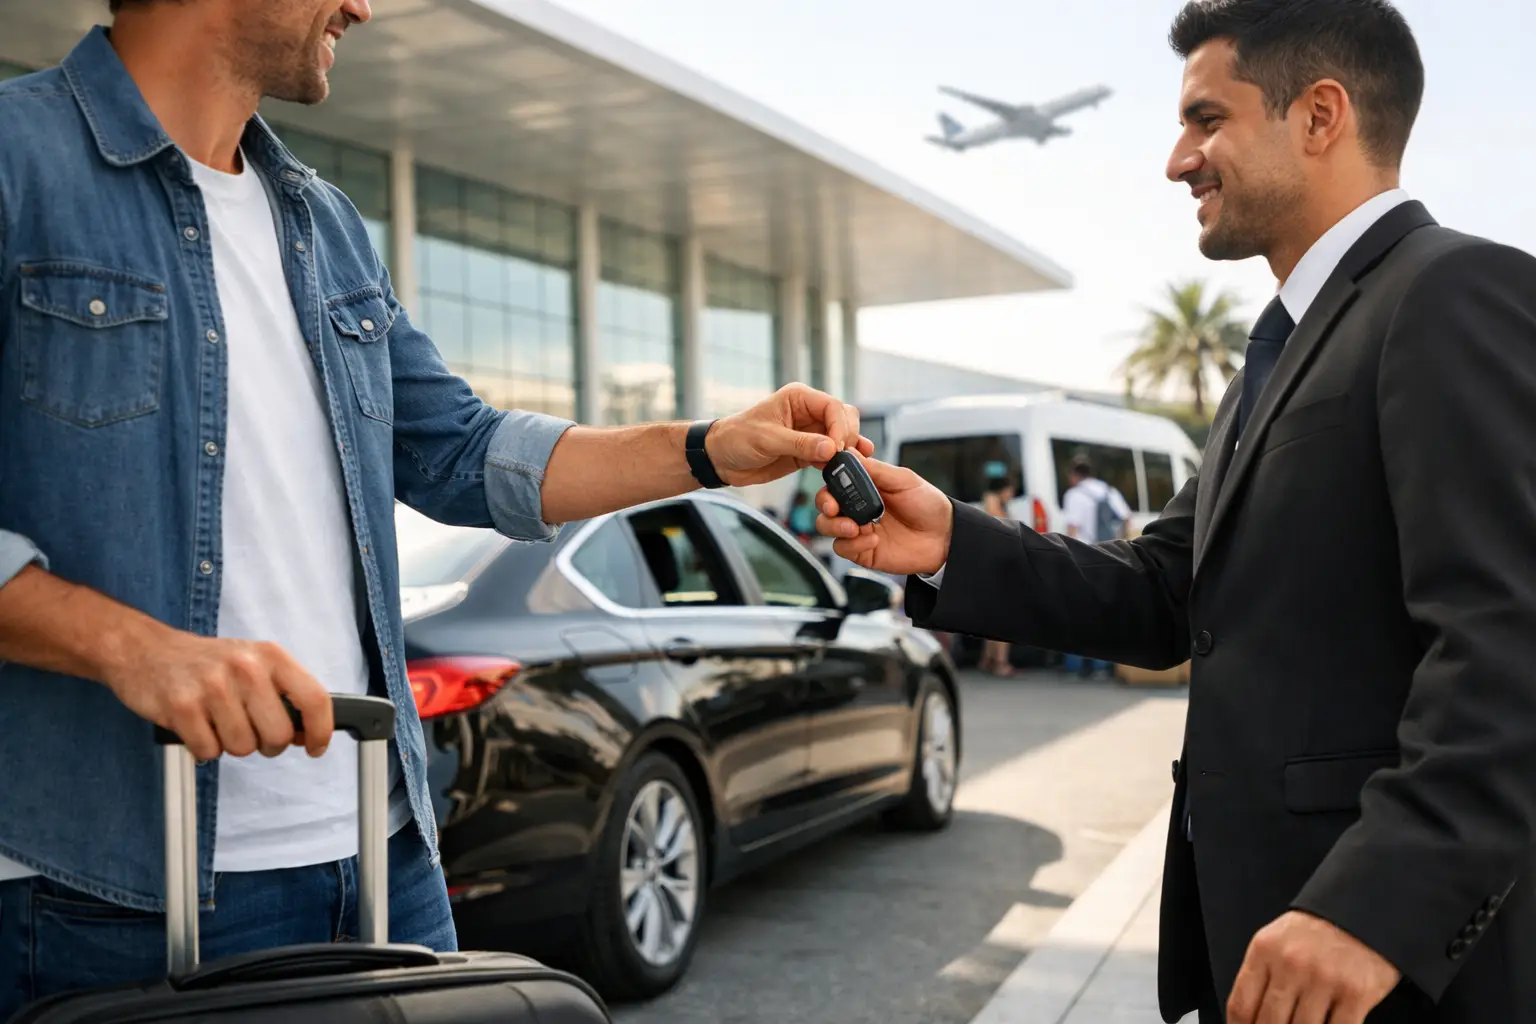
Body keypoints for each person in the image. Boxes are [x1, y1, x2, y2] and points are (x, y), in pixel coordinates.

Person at [0, 2, 869, 1015]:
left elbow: (464, 449)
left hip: (382, 855)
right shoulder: (18, 163)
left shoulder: (322, 222)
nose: (363, 4)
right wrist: (132, 646)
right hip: (106, 893)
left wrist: (711, 449)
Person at [818, 1, 1536, 1021]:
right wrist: (950, 540)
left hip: (1383, 965)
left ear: (1320, 116)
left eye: (1207, 120)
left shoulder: (1453, 293)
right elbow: (1170, 589)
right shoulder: (1279, 352)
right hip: (1259, 944)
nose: (1176, 160)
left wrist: (1380, 904)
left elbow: (1510, 645)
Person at [1058, 459, 1132, 680]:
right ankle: (1102, 666)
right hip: (1106, 556)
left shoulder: (1074, 495)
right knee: (1102, 612)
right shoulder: (1108, 491)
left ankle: (1075, 666)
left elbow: (1072, 528)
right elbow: (1127, 518)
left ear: (1074, 476)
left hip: (1081, 557)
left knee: (1076, 612)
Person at [977, 467, 1016, 677]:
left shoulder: (992, 501)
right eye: (1010, 489)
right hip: (997, 565)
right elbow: (1000, 525)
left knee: (994, 616)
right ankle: (1000, 663)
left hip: (991, 564)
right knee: (1004, 616)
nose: (1011, 494)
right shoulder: (992, 501)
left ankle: (988, 660)